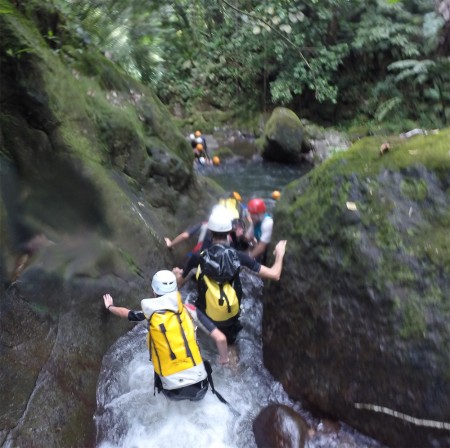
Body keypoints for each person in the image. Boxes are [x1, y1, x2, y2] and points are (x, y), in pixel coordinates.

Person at [102, 270, 229, 402]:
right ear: (176, 289)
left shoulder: (149, 316)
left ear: (154, 292)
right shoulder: (189, 310)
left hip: (171, 390)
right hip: (199, 385)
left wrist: (110, 306)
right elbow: (221, 338)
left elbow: (126, 314)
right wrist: (224, 359)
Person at [173, 206, 287, 344]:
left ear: (210, 231)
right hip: (229, 318)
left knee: (188, 315)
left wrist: (176, 273)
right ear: (229, 232)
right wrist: (280, 254)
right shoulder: (239, 257)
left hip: (205, 317)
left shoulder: (198, 258)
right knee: (231, 349)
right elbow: (275, 274)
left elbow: (179, 283)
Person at [245, 198, 273, 264]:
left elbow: (261, 247)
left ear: (260, 214)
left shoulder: (268, 223)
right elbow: (247, 237)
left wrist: (247, 258)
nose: (251, 216)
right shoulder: (256, 222)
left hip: (268, 253)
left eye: (253, 214)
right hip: (261, 250)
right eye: (250, 213)